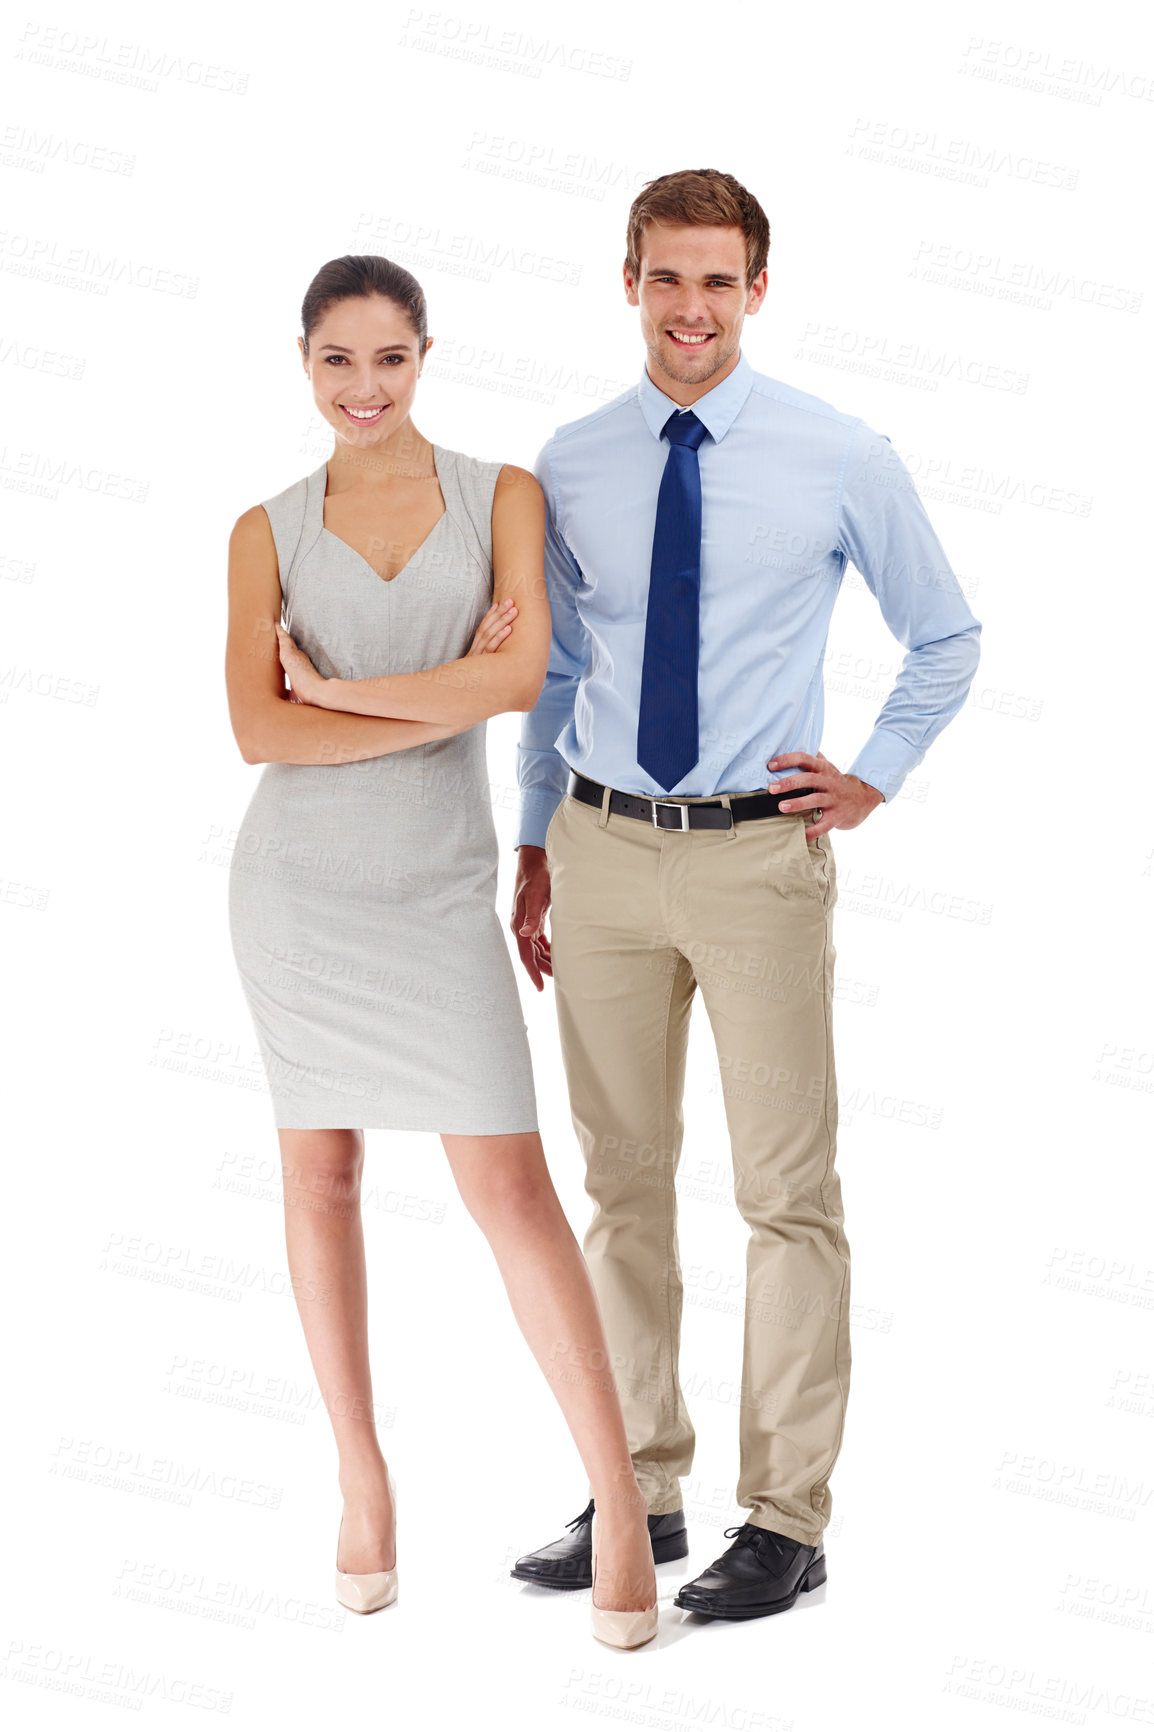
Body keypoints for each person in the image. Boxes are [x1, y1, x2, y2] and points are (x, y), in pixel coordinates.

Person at [508, 168, 983, 1621]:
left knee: (785, 1196)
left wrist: (872, 774)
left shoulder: (839, 453)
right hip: (596, 853)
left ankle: (784, 1520)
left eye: (717, 281)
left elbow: (944, 638)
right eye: (666, 278)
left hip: (756, 860)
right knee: (619, 1186)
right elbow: (561, 669)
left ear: (756, 290)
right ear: (630, 282)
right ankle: (635, 1486)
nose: (691, 308)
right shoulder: (571, 460)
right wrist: (531, 841)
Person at [223, 255, 657, 1647]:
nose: (365, 387)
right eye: (338, 361)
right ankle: (362, 1480)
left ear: (425, 356)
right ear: (305, 364)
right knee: (322, 1172)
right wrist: (427, 696)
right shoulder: (265, 529)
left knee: (510, 1188)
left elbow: (520, 679)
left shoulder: (499, 495)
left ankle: (619, 1496)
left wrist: (341, 689)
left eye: (390, 359)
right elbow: (259, 733)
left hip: (437, 886)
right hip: (297, 891)